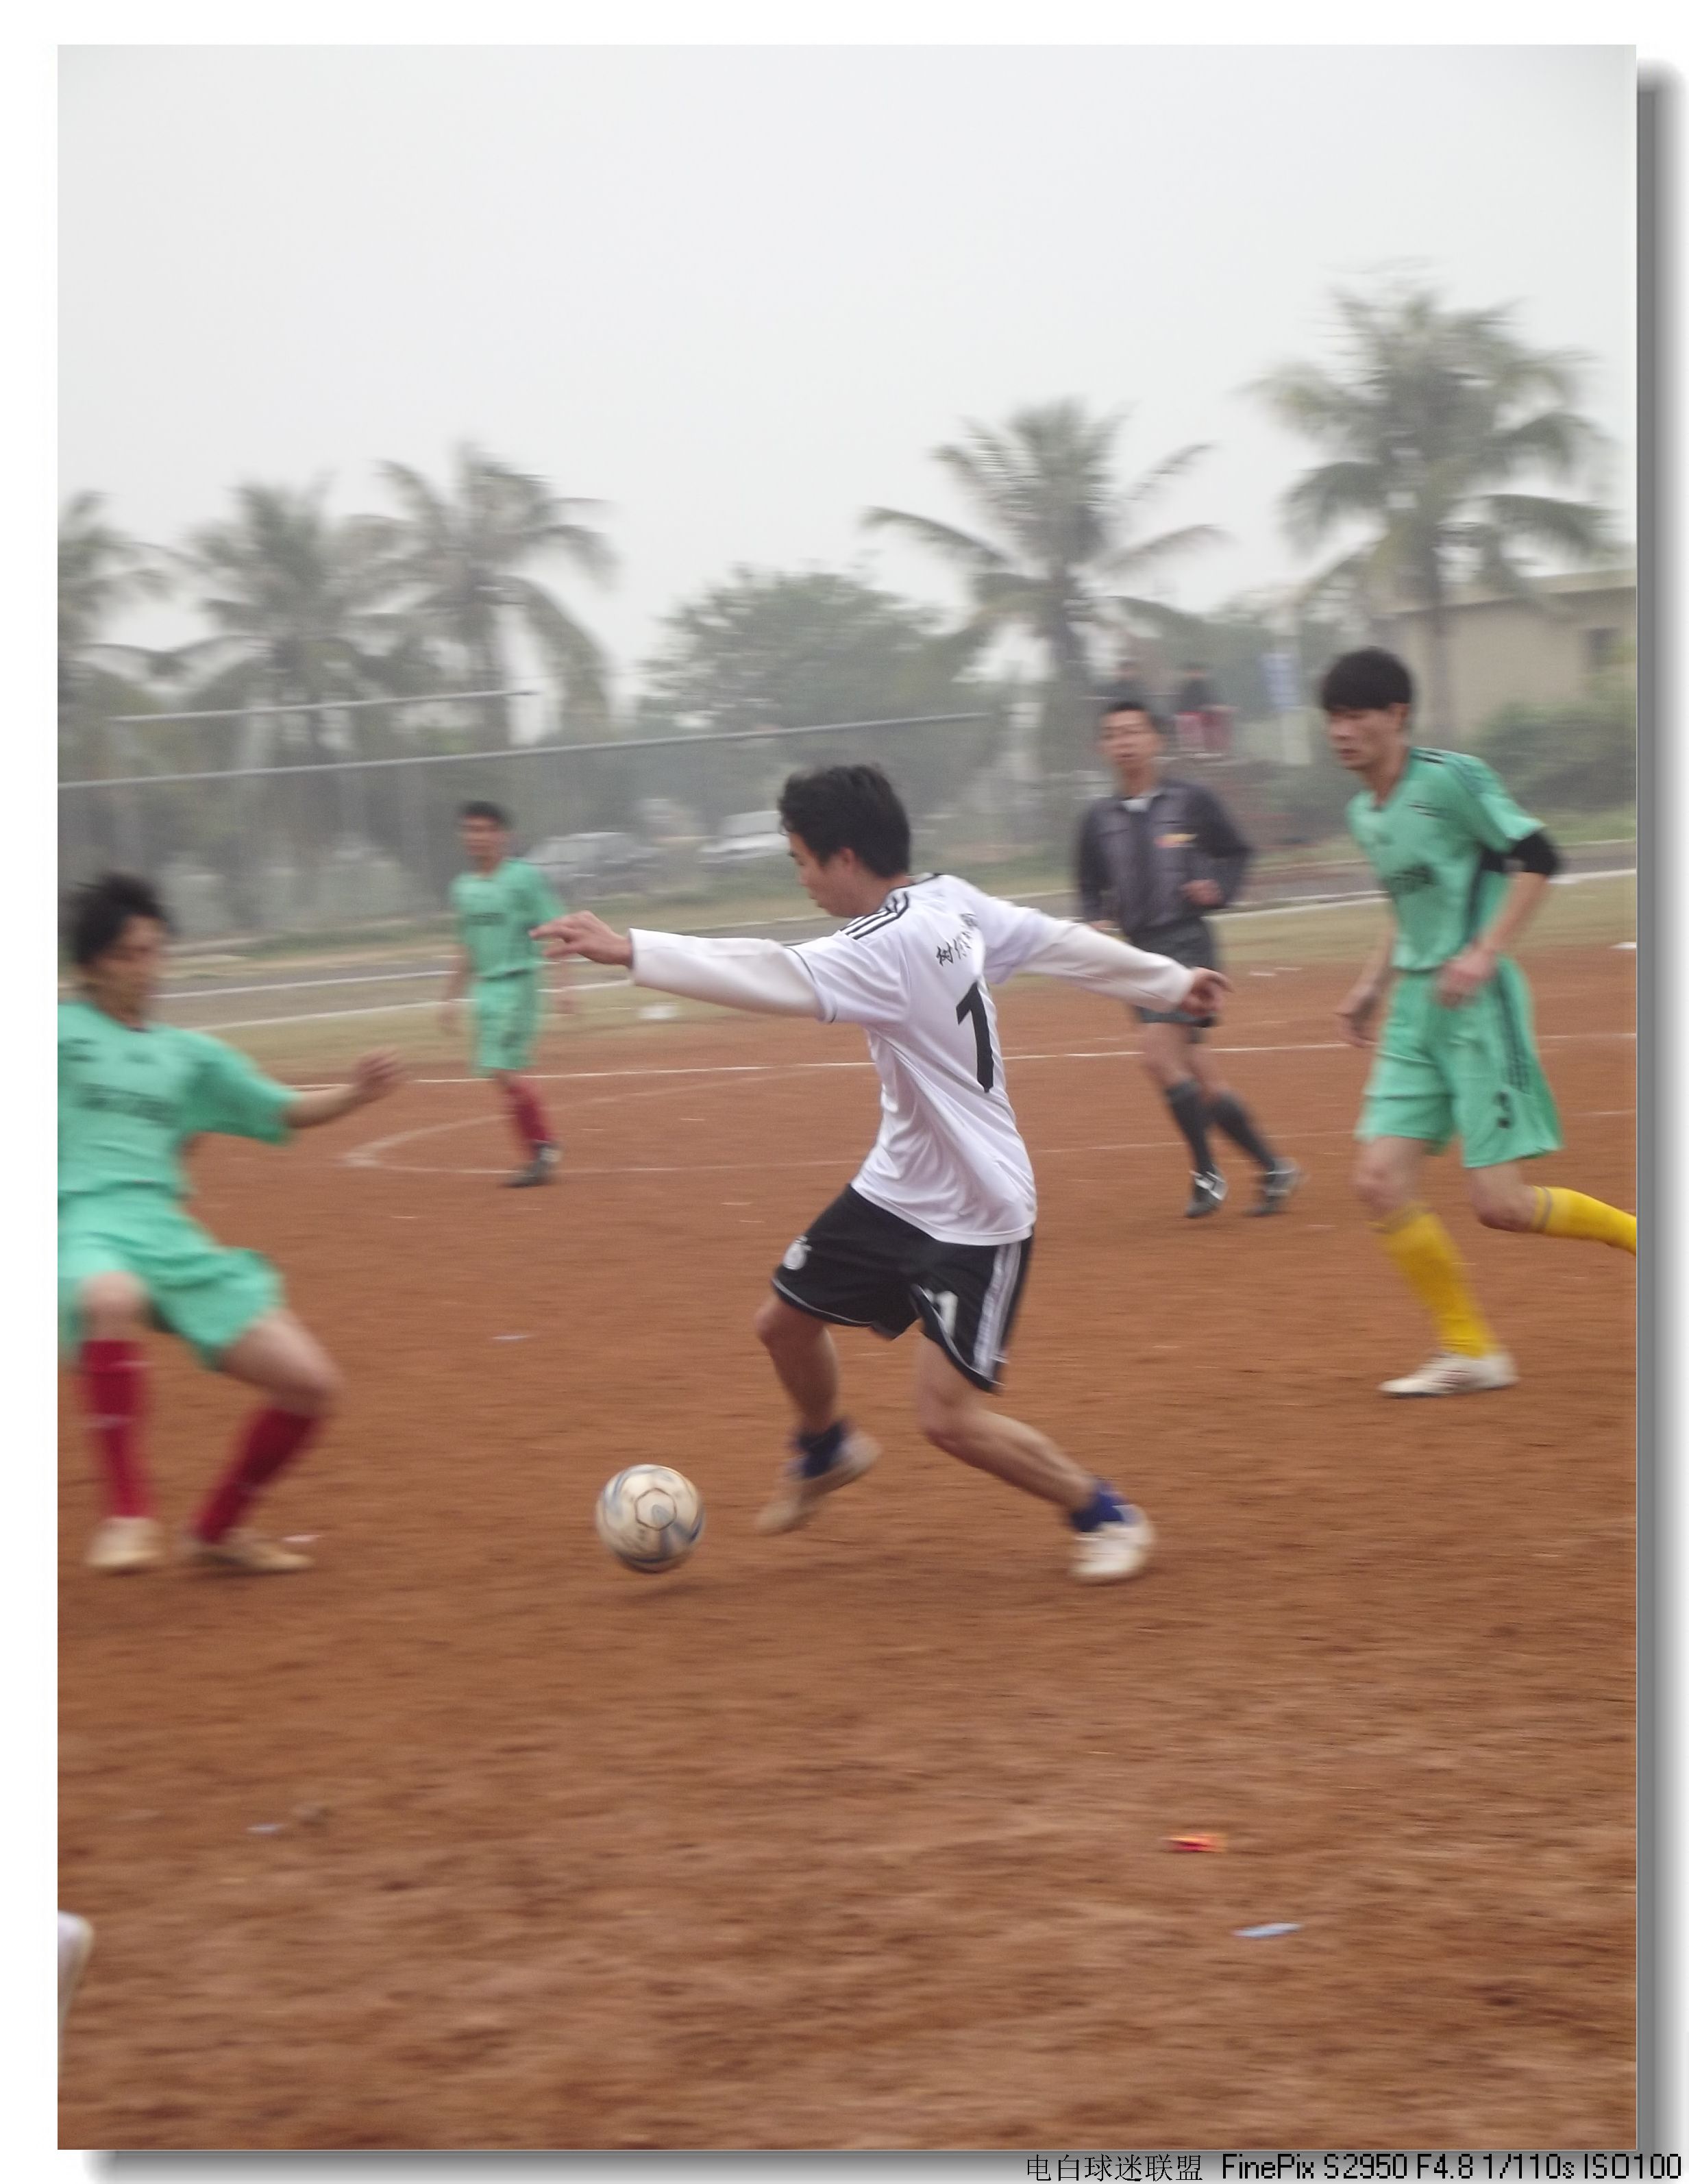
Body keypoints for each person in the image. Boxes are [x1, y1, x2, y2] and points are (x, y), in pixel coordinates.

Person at [537, 763, 1228, 1584]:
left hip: (977, 1204)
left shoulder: (885, 945)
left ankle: (1102, 1512)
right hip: (899, 1183)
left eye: (800, 860)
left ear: (844, 857)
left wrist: (631, 950)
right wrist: (1170, 979)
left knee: (946, 1418)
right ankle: (825, 1445)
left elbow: (768, 970)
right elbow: (1053, 940)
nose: (800, 879)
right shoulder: (948, 900)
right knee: (783, 1324)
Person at [60, 872, 402, 1573]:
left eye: (154, 950)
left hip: (166, 1234)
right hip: (80, 1223)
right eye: (128, 953)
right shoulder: (56, 1034)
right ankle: (128, 1513)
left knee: (309, 1383)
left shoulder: (190, 1057)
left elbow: (280, 1109)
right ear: (91, 964)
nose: (147, 967)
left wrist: (355, 1094)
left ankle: (215, 1531)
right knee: (109, 1295)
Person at [1323, 648, 1636, 1396]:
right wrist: (1369, 987)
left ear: (1396, 715)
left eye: (1356, 715)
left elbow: (1539, 856)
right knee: (1377, 1180)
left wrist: (1485, 951)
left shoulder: (1449, 779)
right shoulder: (1363, 813)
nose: (1340, 731)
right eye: (1332, 717)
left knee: (1502, 1205)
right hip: (1414, 1013)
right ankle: (1469, 1351)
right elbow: (1405, 910)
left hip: (1476, 1009)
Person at [1076, 697, 1301, 1219]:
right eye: (1113, 734)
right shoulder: (1097, 818)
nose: (1123, 741)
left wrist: (1216, 888)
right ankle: (1274, 1168)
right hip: (1136, 955)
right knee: (1201, 1078)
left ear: (1156, 739)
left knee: (1156, 1057)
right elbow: (1088, 885)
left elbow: (1236, 852)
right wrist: (1094, 918)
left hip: (1187, 947)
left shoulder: (1189, 799)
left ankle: (1206, 1173)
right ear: (1102, 747)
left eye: (1133, 731)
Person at [441, 801, 571, 1187]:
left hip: (519, 982)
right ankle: (541, 1146)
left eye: (484, 830)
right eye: (470, 830)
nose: (476, 837)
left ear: (503, 836)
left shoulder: (523, 878)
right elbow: (466, 947)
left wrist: (564, 984)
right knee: (500, 1072)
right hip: (486, 990)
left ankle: (542, 1148)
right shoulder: (464, 888)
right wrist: (450, 997)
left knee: (504, 1069)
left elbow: (558, 928)